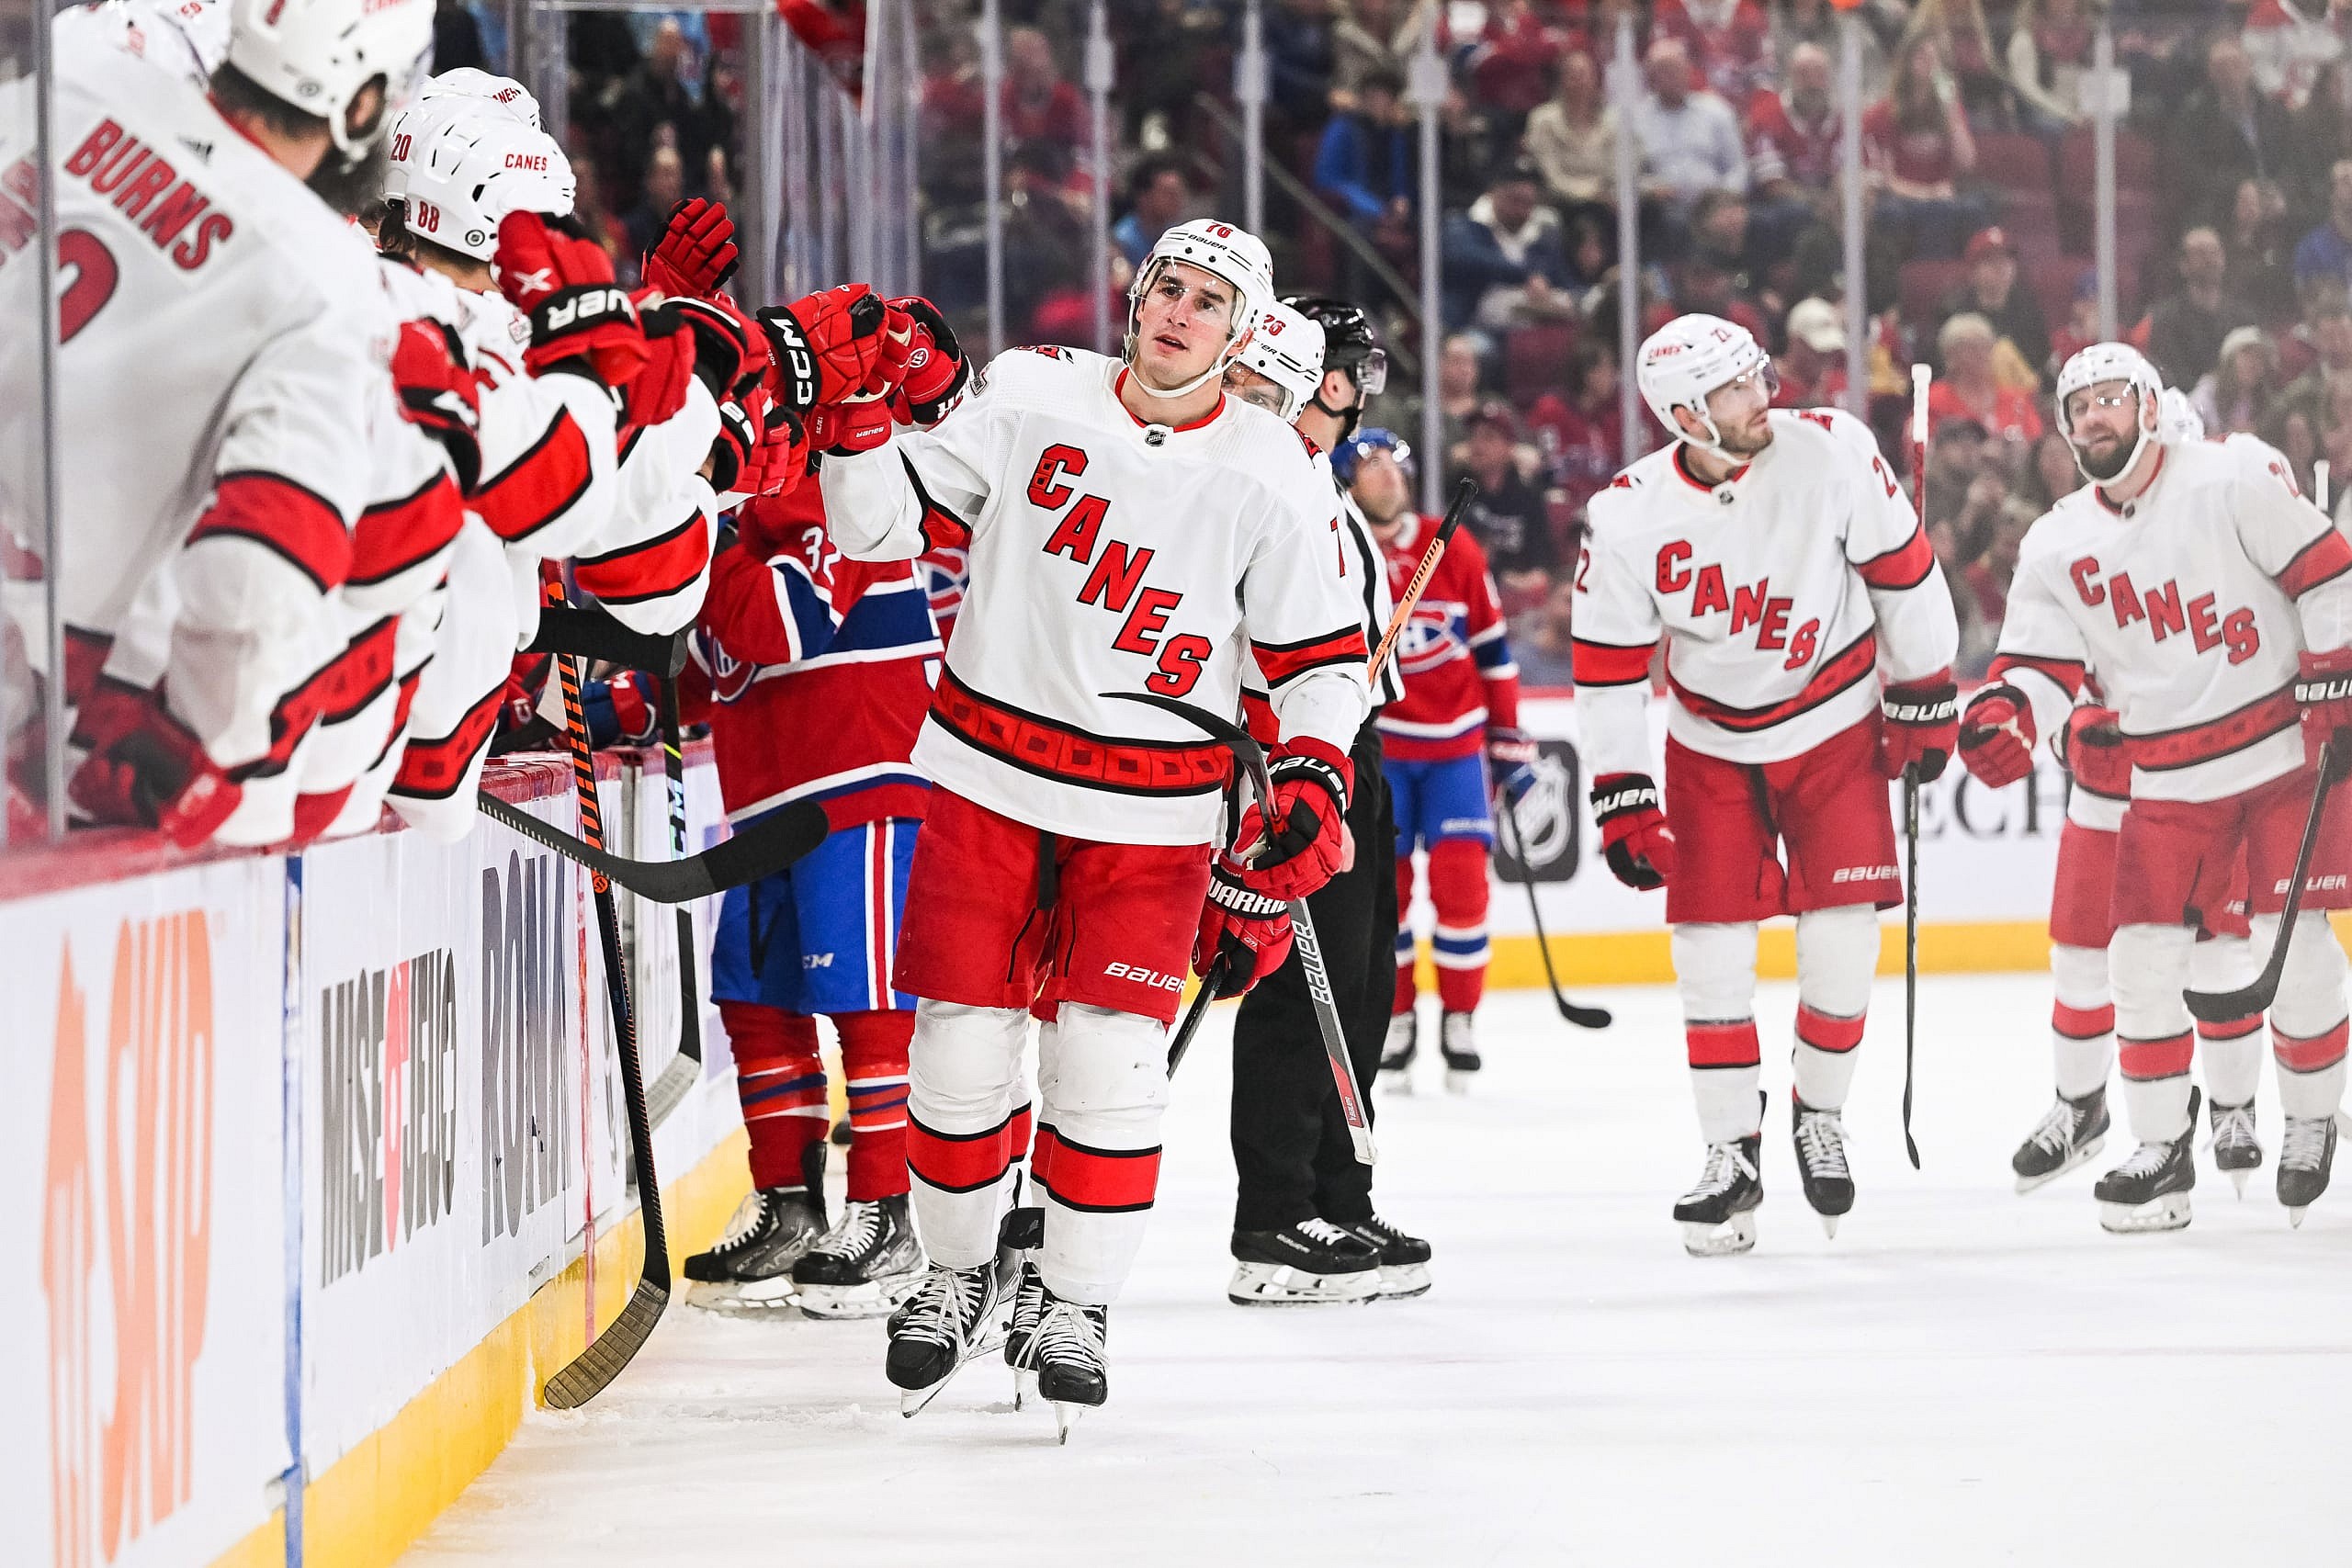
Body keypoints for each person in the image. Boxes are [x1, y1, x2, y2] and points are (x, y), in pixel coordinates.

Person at [814, 220, 1370, 1430]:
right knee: (958, 1053)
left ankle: (1074, 1301)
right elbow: (875, 527)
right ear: (1136, 295)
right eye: (1168, 286)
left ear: (1241, 333)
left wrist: (1313, 776)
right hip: (988, 780)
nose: (1179, 312)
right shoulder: (1031, 392)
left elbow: (1324, 661)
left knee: (1109, 1070)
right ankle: (956, 1272)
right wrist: (854, 416)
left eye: (1209, 302)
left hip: (1152, 814)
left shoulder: (1273, 469)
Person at [1572, 314, 1961, 1256]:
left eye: (1757, 375)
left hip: (1834, 724)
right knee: (1709, 951)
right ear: (1684, 416)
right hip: (1709, 745)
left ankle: (1817, 1114)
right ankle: (1728, 1152)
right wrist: (1623, 788)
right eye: (1737, 387)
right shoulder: (1626, 516)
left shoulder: (1832, 452)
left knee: (1841, 940)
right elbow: (1607, 669)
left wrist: (1925, 686)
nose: (1764, 396)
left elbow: (1905, 574)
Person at [6, 0, 435, 848]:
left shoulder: (80, 80)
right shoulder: (327, 278)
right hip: (27, 673)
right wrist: (199, 750)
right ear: (357, 104)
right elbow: (259, 566)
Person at [1959, 343, 2352, 1231]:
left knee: (2295, 951)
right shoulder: (2056, 540)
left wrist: (2335, 670)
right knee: (2137, 961)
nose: (2094, 416)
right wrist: (2008, 712)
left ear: (2147, 404)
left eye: (2110, 398)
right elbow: (2037, 667)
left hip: (2277, 756)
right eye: (2079, 406)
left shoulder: (2231, 475)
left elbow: (2328, 572)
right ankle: (2161, 1147)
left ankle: (2312, 1117)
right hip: (2166, 777)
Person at [678, 469, 940, 1315]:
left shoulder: (842, 494)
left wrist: (693, 539)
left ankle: (887, 1213)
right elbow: (703, 673)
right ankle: (788, 1208)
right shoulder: (738, 524)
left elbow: (779, 621)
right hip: (768, 808)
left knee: (871, 1007)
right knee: (755, 1001)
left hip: (859, 789)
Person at [1221, 296, 1429, 1307]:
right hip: (1289, 760)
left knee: (1359, 985)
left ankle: (1340, 1193)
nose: (1355, 394)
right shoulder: (1251, 483)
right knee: (1295, 991)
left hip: (1353, 749)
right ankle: (1271, 1214)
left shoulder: (1322, 488)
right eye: (1351, 372)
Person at [1340, 429, 1531, 1095]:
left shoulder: (1452, 546)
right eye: (1371, 465)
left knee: (1462, 889)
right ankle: (1397, 1019)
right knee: (1386, 901)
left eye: (1396, 463)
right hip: (1384, 751)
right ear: (1347, 482)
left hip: (1456, 750)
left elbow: (1493, 651)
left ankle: (1460, 1019)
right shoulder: (1341, 548)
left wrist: (1508, 737)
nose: (1389, 475)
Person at [1439, 158, 1576, 334]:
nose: (1521, 210)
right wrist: (1526, 276)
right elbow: (1465, 259)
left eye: (1528, 203)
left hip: (1532, 329)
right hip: (1472, 327)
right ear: (1494, 193)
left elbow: (1564, 281)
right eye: (1515, 200)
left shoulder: (1542, 235)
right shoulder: (1463, 226)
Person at [1627, 38, 1748, 217]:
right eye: (1664, 71)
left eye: (1676, 69)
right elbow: (1630, 175)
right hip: (1663, 209)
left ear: (1688, 71)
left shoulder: (1716, 111)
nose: (1671, 77)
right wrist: (1651, 189)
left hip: (1714, 207)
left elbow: (1737, 167)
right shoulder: (1636, 120)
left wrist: (1724, 199)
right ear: (1651, 78)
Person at [1458, 400, 1557, 604]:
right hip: (1471, 594)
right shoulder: (1457, 492)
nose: (1477, 446)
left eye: (1489, 437)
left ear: (1509, 446)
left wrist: (1523, 581)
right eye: (1473, 437)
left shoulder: (1529, 497)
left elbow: (1542, 567)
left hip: (1521, 601)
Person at [2140, 227, 2257, 389]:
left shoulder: (2244, 318)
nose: (2210, 260)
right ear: (2183, 265)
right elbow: (2167, 373)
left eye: (2214, 252)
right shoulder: (2164, 320)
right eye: (2200, 253)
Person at [1937, 228, 2050, 382]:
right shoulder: (1953, 311)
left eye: (2006, 260)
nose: (2001, 268)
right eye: (1991, 261)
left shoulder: (2028, 310)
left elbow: (2042, 363)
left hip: (2021, 391)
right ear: (1973, 271)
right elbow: (1941, 366)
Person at [1113, 154, 1192, 269]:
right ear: (1144, 197)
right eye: (1168, 193)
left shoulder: (1180, 236)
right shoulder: (1122, 239)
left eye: (1179, 193)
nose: (1177, 200)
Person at [1773, 298, 1849, 409]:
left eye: (1831, 351)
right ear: (1795, 342)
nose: (1826, 357)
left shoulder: (1840, 386)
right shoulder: (1765, 387)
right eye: (1819, 351)